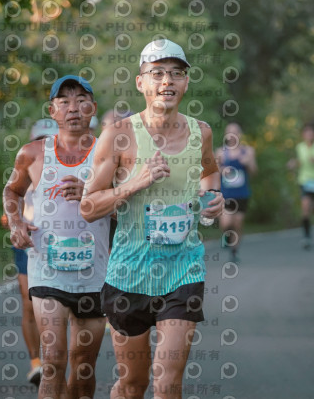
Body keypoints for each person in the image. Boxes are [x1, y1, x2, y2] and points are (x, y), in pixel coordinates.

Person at [80, 39, 224, 399]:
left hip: (183, 270)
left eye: (176, 73)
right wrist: (136, 182)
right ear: (141, 82)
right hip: (128, 274)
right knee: (133, 385)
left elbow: (209, 173)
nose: (167, 81)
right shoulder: (118, 135)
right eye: (157, 73)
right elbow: (89, 206)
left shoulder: (201, 132)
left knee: (167, 383)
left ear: (186, 82)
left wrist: (211, 200)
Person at [3, 75, 110, 399]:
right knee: (52, 362)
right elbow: (12, 190)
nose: (73, 108)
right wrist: (16, 222)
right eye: (64, 101)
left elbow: (128, 204)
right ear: (52, 110)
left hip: (95, 274)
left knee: (83, 366)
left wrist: (91, 196)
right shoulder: (32, 153)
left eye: (81, 100)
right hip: (47, 269)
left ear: (93, 107)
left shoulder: (111, 154)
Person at [0, 119, 58, 386]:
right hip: (29, 243)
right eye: (40, 139)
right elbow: (11, 200)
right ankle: (36, 363)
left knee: (66, 305)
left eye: (50, 138)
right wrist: (14, 222)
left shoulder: (72, 165)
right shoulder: (26, 163)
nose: (45, 143)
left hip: (64, 244)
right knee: (29, 302)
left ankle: (60, 361)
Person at [216, 123, 257, 261]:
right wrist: (222, 169)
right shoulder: (221, 152)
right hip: (226, 194)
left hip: (242, 194)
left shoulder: (248, 151)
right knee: (226, 223)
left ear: (240, 134)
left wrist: (248, 163)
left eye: (235, 132)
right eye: (230, 132)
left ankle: (234, 252)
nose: (232, 136)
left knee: (238, 223)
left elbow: (254, 172)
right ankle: (227, 237)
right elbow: (213, 172)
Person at [287, 123, 314, 249]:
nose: (309, 136)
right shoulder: (300, 147)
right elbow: (300, 161)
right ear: (303, 135)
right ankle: (306, 237)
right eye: (307, 133)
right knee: (305, 208)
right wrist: (293, 163)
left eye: (311, 133)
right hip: (305, 180)